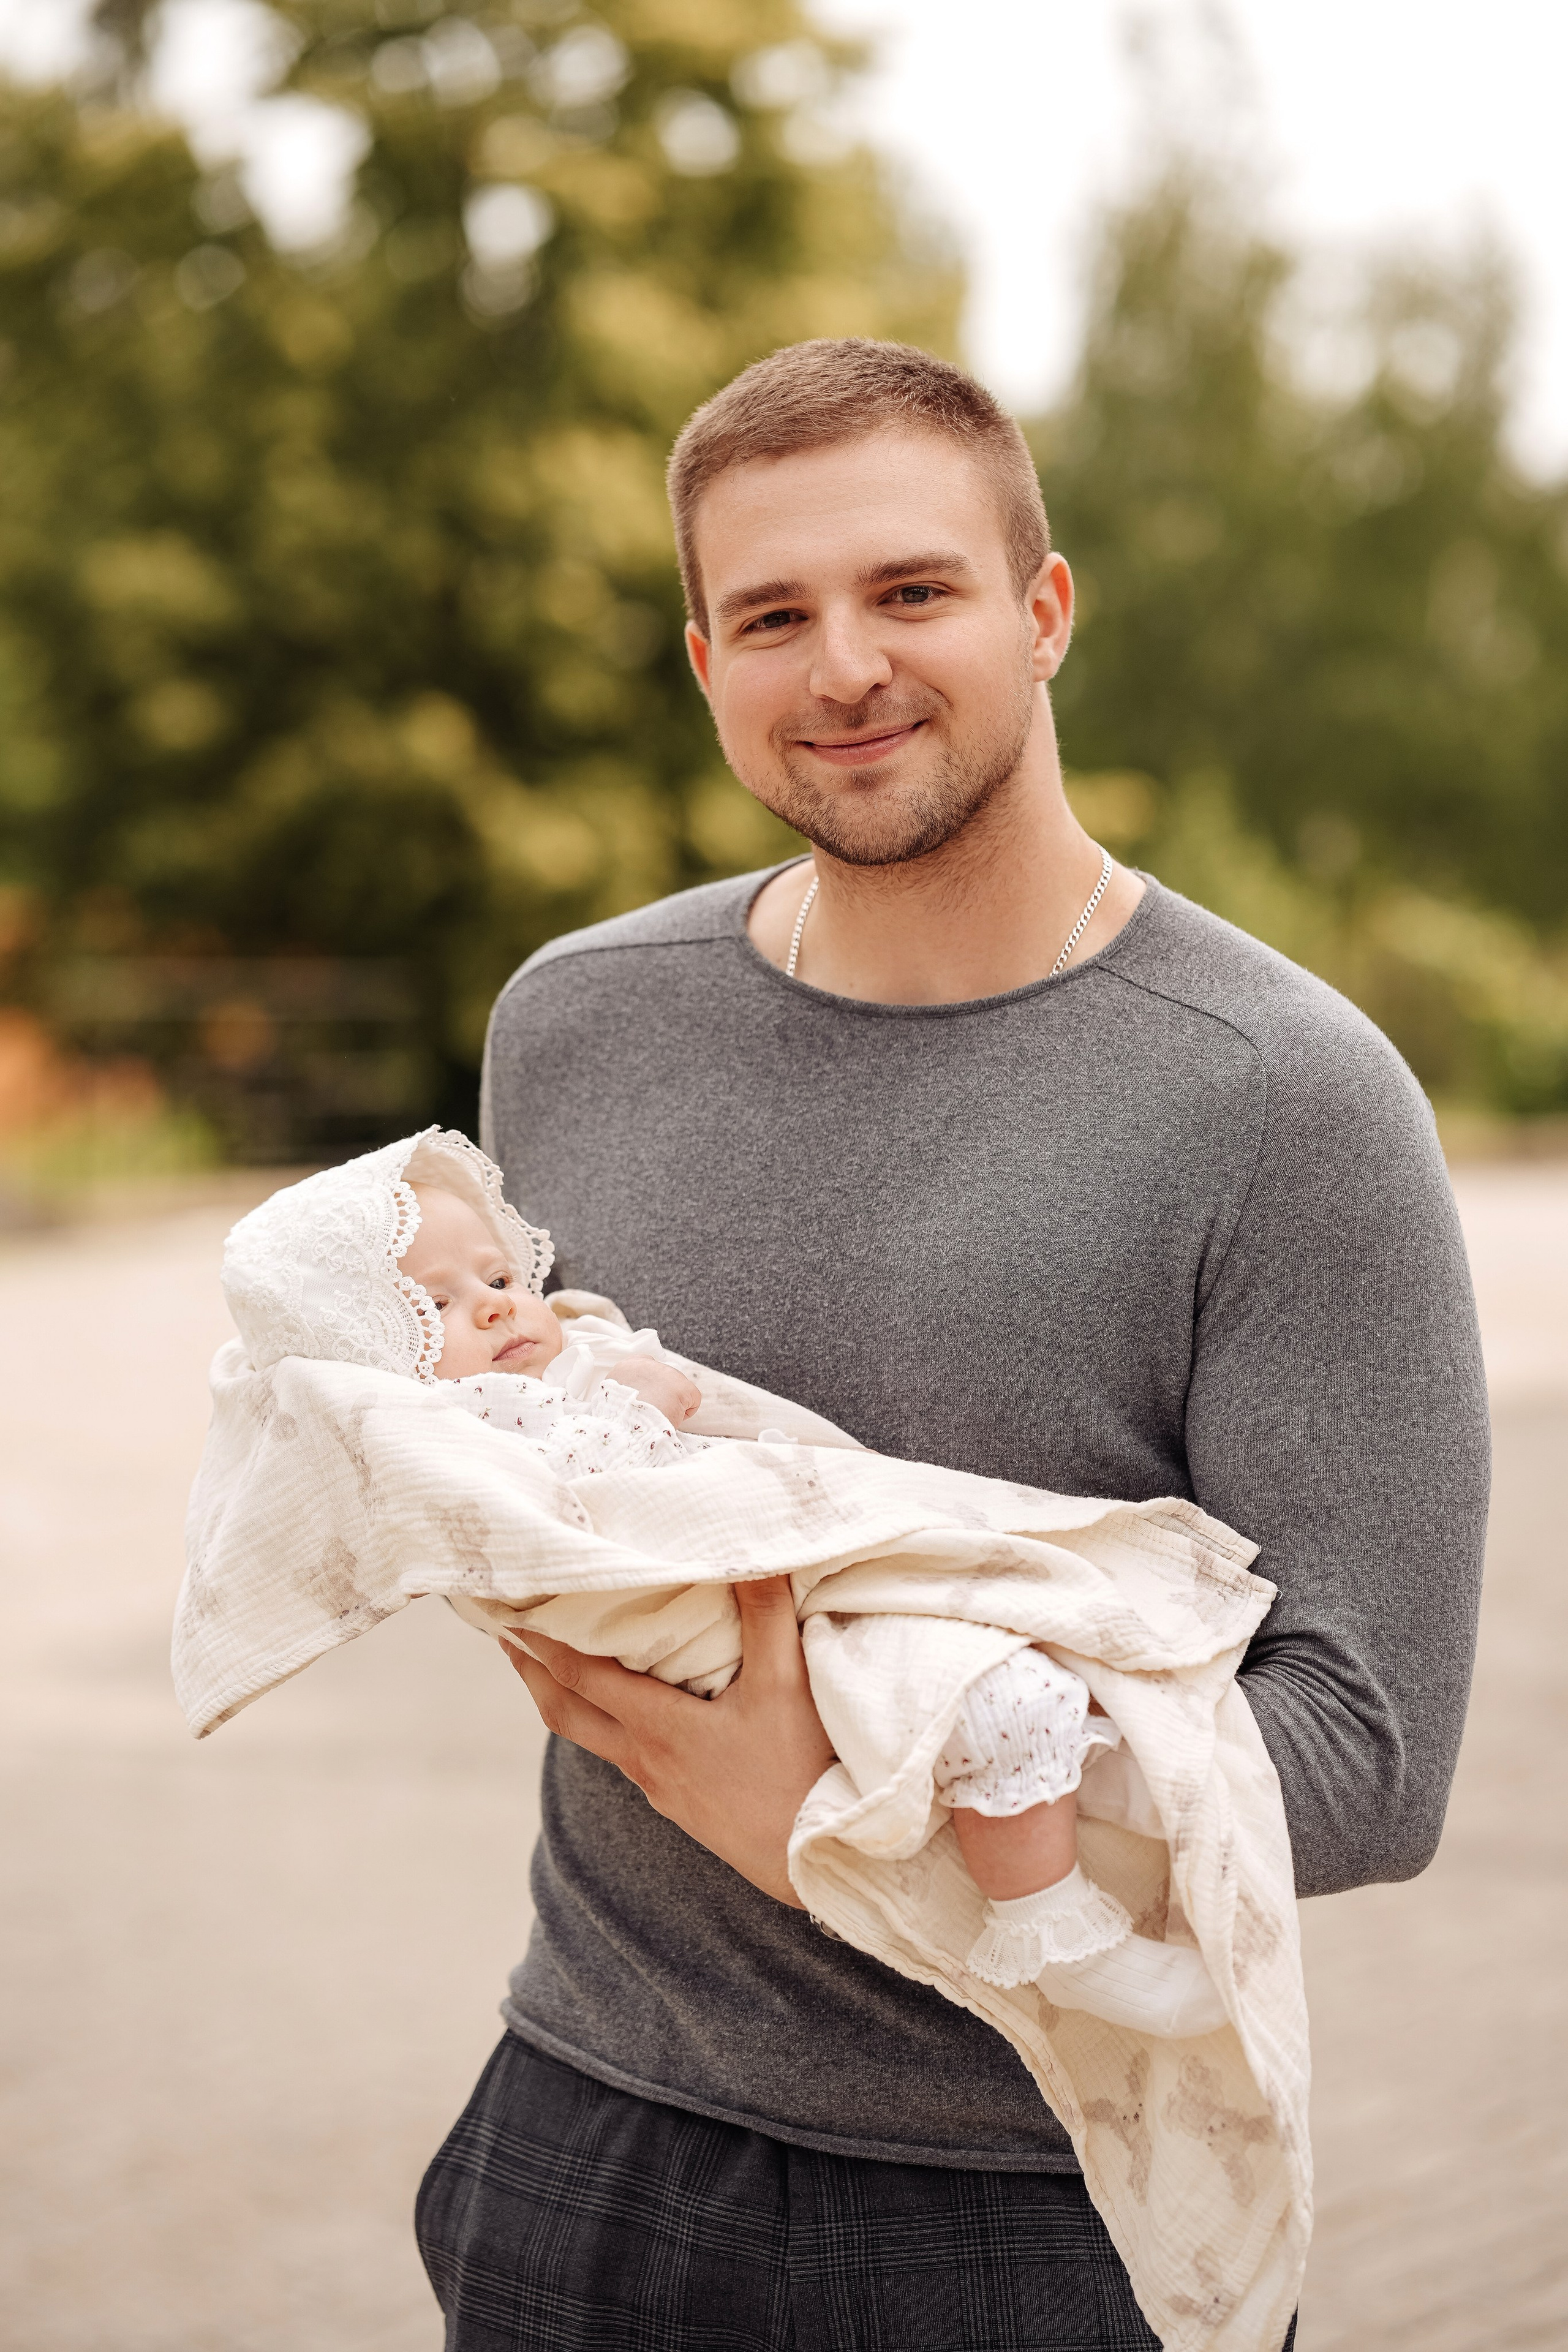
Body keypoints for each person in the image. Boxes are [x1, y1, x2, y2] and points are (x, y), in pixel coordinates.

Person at [417, 339, 1490, 2351]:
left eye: (913, 592)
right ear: (704, 659)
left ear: (1046, 611)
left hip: (1037, 2207)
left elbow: (1373, 1758)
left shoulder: (1289, 1100)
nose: (843, 669)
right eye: (773, 616)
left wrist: (832, 1794)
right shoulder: (574, 1020)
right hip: (583, 2134)